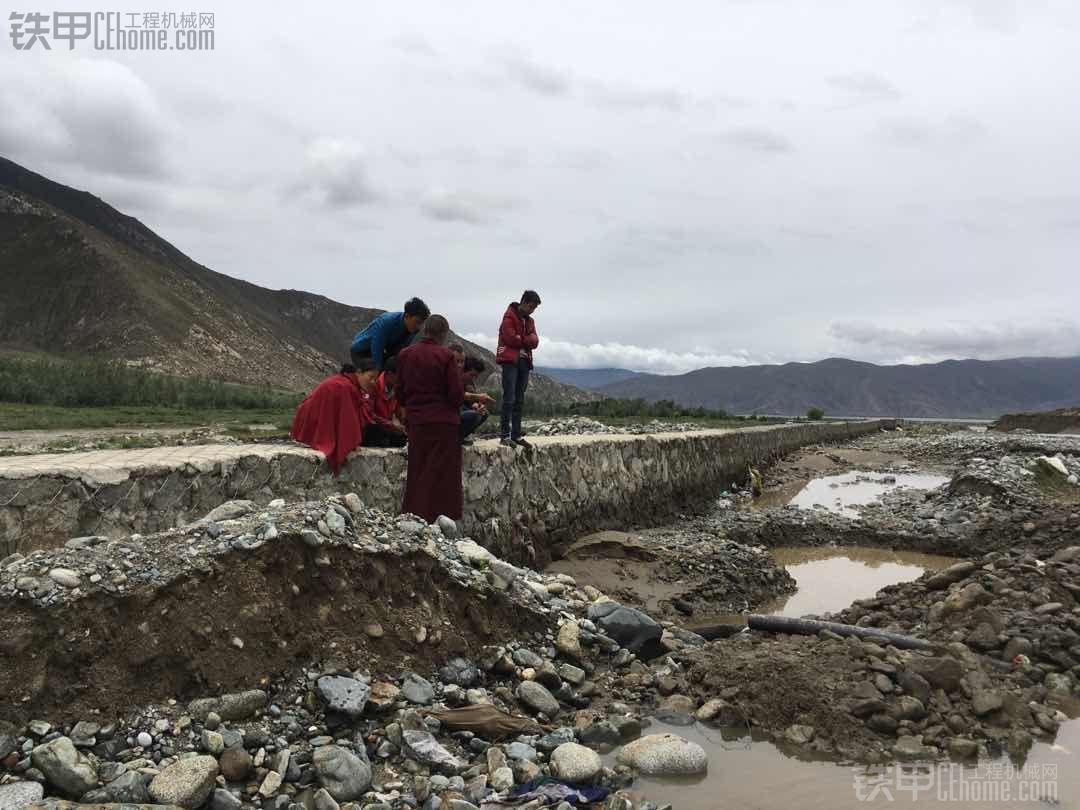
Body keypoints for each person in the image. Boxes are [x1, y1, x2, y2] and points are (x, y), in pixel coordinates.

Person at [396, 314, 465, 521]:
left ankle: (415, 517)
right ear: (443, 334)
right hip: (444, 425)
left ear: (425, 330)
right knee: (443, 476)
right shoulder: (446, 357)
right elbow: (455, 395)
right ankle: (442, 520)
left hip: (417, 423)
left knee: (418, 471)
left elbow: (400, 393)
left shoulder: (405, 355)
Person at [290, 359, 384, 473]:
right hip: (308, 422)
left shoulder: (348, 384)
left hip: (304, 421)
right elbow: (348, 422)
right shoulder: (345, 387)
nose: (374, 382)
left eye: (376, 379)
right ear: (359, 372)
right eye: (371, 377)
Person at [495, 290, 541, 447]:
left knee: (519, 400)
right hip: (510, 361)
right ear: (524, 302)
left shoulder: (530, 321)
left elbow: (535, 341)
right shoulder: (508, 317)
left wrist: (520, 339)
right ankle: (504, 435)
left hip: (524, 362)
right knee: (509, 398)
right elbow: (509, 338)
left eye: (534, 308)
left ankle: (516, 435)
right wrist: (525, 340)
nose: (532, 310)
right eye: (531, 306)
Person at [350, 297, 430, 371]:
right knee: (371, 377)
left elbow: (399, 353)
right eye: (417, 322)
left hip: (382, 352)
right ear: (407, 316)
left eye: (422, 323)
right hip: (362, 351)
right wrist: (378, 371)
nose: (419, 327)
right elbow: (377, 348)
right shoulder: (387, 322)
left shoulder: (413, 329)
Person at [449, 345, 496, 445]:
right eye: (472, 375)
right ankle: (453, 438)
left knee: (483, 413)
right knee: (474, 415)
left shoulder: (467, 381)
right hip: (449, 413)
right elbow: (459, 397)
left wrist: (476, 405)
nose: (459, 365)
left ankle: (460, 437)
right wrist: (476, 399)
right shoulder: (453, 378)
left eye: (461, 362)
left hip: (458, 409)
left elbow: (469, 400)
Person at [372, 356, 407, 435]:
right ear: (390, 374)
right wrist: (392, 425)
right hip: (374, 428)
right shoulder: (373, 386)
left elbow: (399, 413)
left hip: (387, 428)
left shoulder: (396, 389)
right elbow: (370, 415)